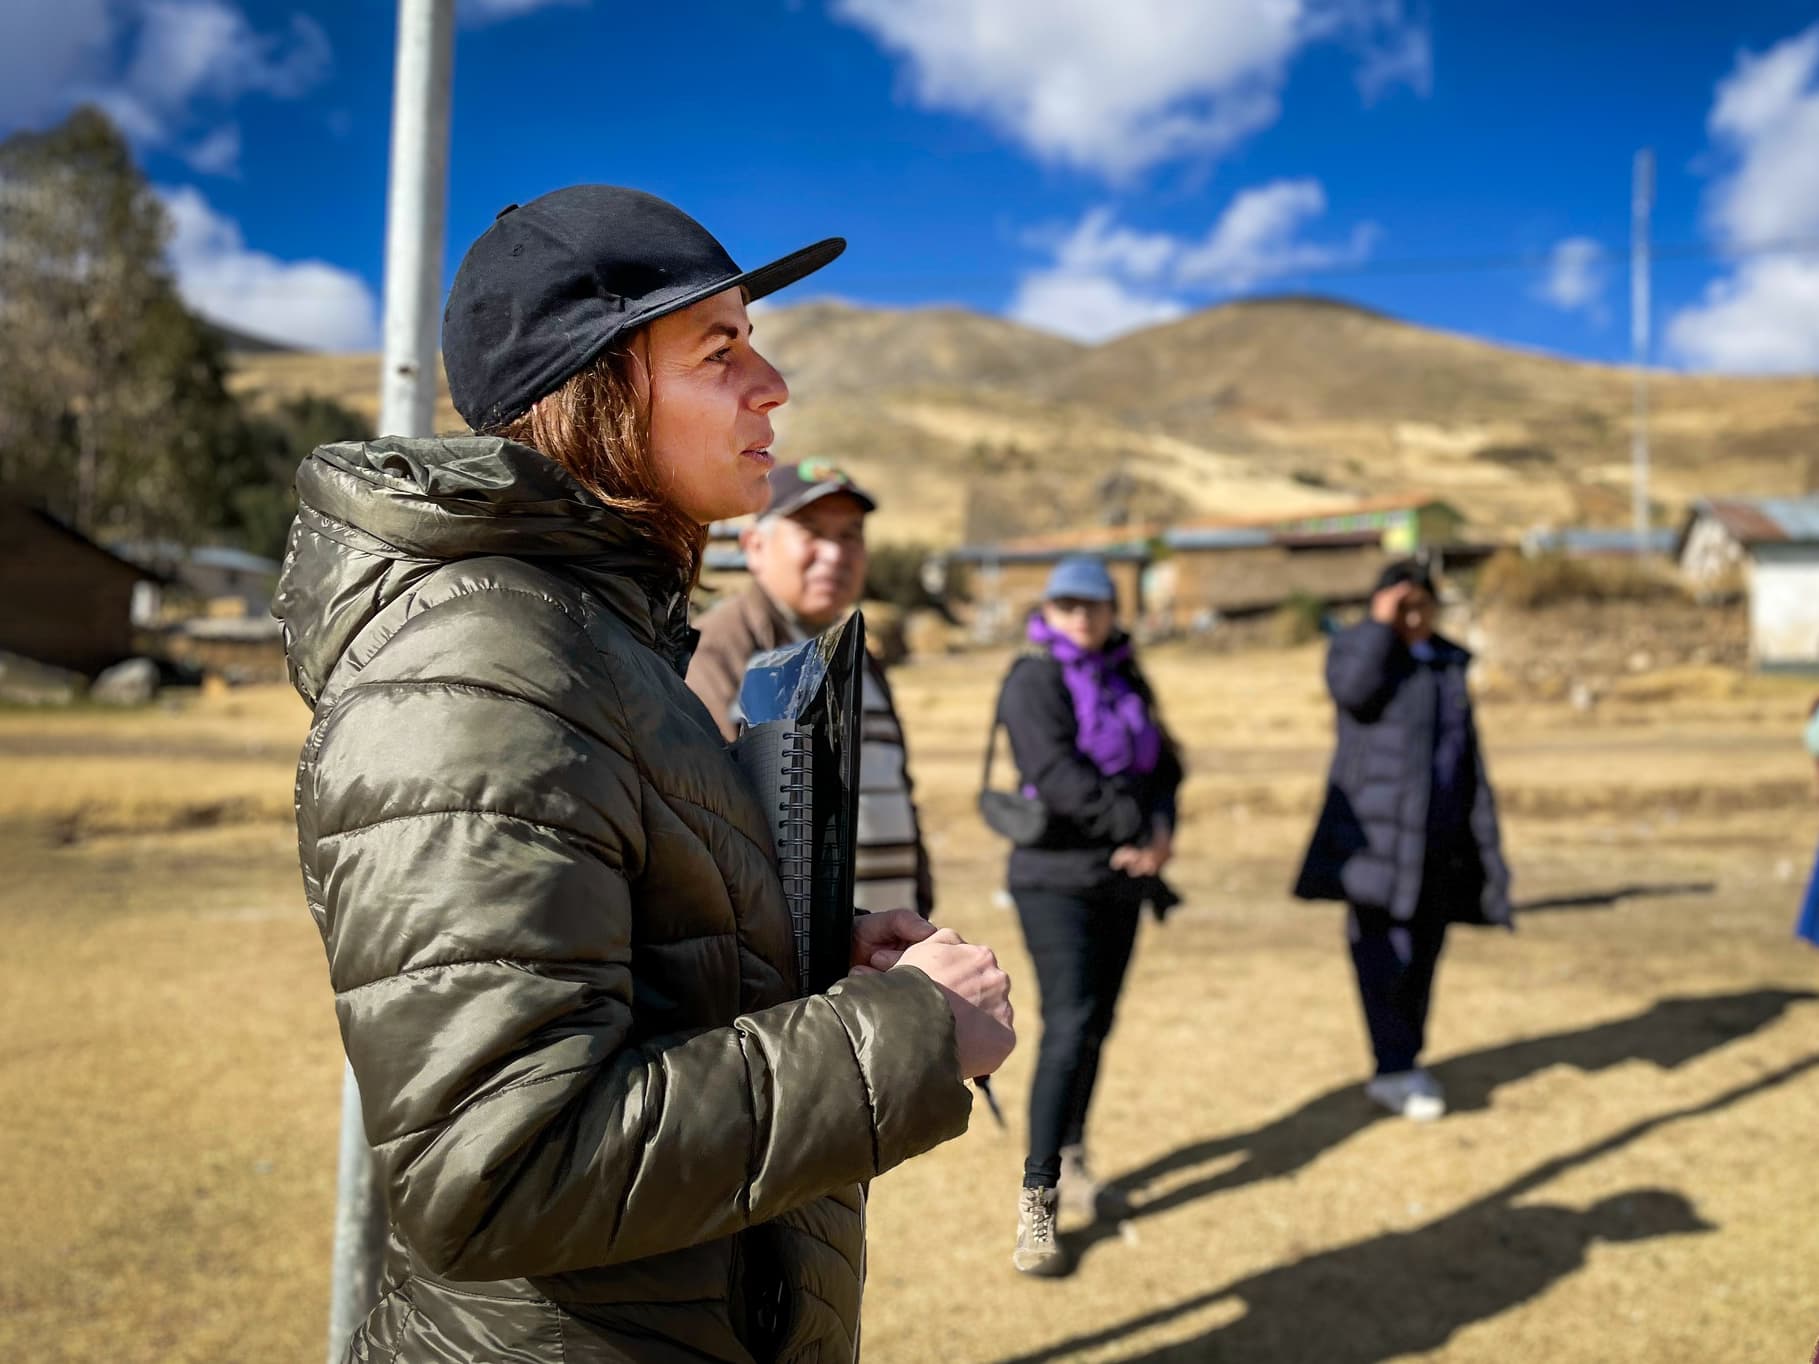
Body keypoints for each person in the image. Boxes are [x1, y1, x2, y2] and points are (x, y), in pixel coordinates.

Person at [274, 185, 1015, 1363]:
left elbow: (635, 968)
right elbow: (497, 1169)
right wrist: (907, 1035)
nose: (770, 385)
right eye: (719, 348)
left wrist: (809, 962)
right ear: (597, 388)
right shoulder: (484, 672)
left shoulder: (601, 640)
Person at [990, 554, 1183, 1276]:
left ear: (1111, 611)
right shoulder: (1033, 677)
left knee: (1097, 1023)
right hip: (1053, 879)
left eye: (1093, 606)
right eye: (1068, 605)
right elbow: (1058, 777)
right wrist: (1134, 828)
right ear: (1050, 608)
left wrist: (1159, 832)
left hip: (1120, 880)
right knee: (1068, 1023)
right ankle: (1036, 1205)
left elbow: (1166, 763)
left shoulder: (1125, 673)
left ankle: (1072, 1159)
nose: (1081, 617)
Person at [1294, 559, 1512, 1122]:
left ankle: (1405, 1058)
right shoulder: (1360, 653)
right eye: (1402, 606)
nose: (1414, 617)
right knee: (1381, 955)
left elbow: (1468, 760)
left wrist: (1485, 839)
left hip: (1437, 842)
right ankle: (1393, 1066)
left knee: (1423, 958)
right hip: (1373, 842)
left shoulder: (1445, 663)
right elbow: (1352, 691)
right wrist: (1378, 626)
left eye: (1422, 605)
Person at [688, 461, 934, 917]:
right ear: (754, 546)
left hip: (884, 949)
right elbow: (715, 815)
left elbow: (893, 786)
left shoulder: (856, 652)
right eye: (812, 531)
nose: (835, 554)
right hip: (794, 961)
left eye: (850, 535)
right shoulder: (720, 649)